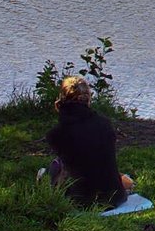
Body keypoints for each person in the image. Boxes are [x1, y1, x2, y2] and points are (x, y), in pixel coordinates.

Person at [41, 76, 131, 210]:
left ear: (62, 98)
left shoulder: (56, 134)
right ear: (88, 98)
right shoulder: (105, 124)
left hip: (83, 202)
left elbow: (69, 168)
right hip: (116, 197)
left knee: (53, 168)